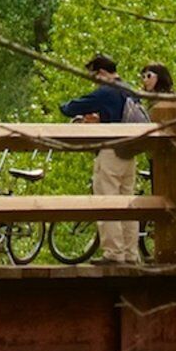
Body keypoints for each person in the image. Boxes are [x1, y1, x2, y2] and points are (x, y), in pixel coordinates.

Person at [63, 55, 143, 262]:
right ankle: (130, 253)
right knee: (127, 202)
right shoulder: (129, 90)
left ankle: (114, 253)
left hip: (110, 152)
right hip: (129, 153)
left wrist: (64, 107)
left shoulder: (107, 91)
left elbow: (73, 107)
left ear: (101, 73)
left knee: (106, 201)